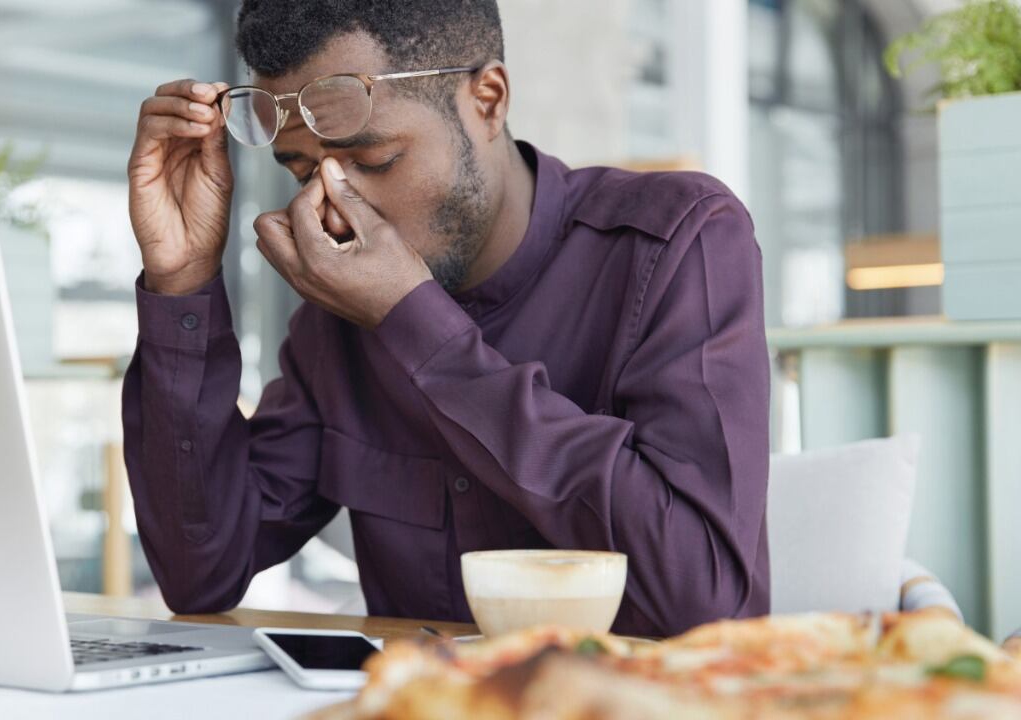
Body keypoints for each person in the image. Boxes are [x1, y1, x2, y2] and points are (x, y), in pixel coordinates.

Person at [122, 0, 770, 638]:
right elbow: (200, 571)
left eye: (374, 161)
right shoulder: (342, 316)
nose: (334, 211)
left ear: (487, 99)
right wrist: (181, 280)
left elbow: (705, 601)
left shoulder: (675, 240)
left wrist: (415, 324)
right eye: (300, 173)